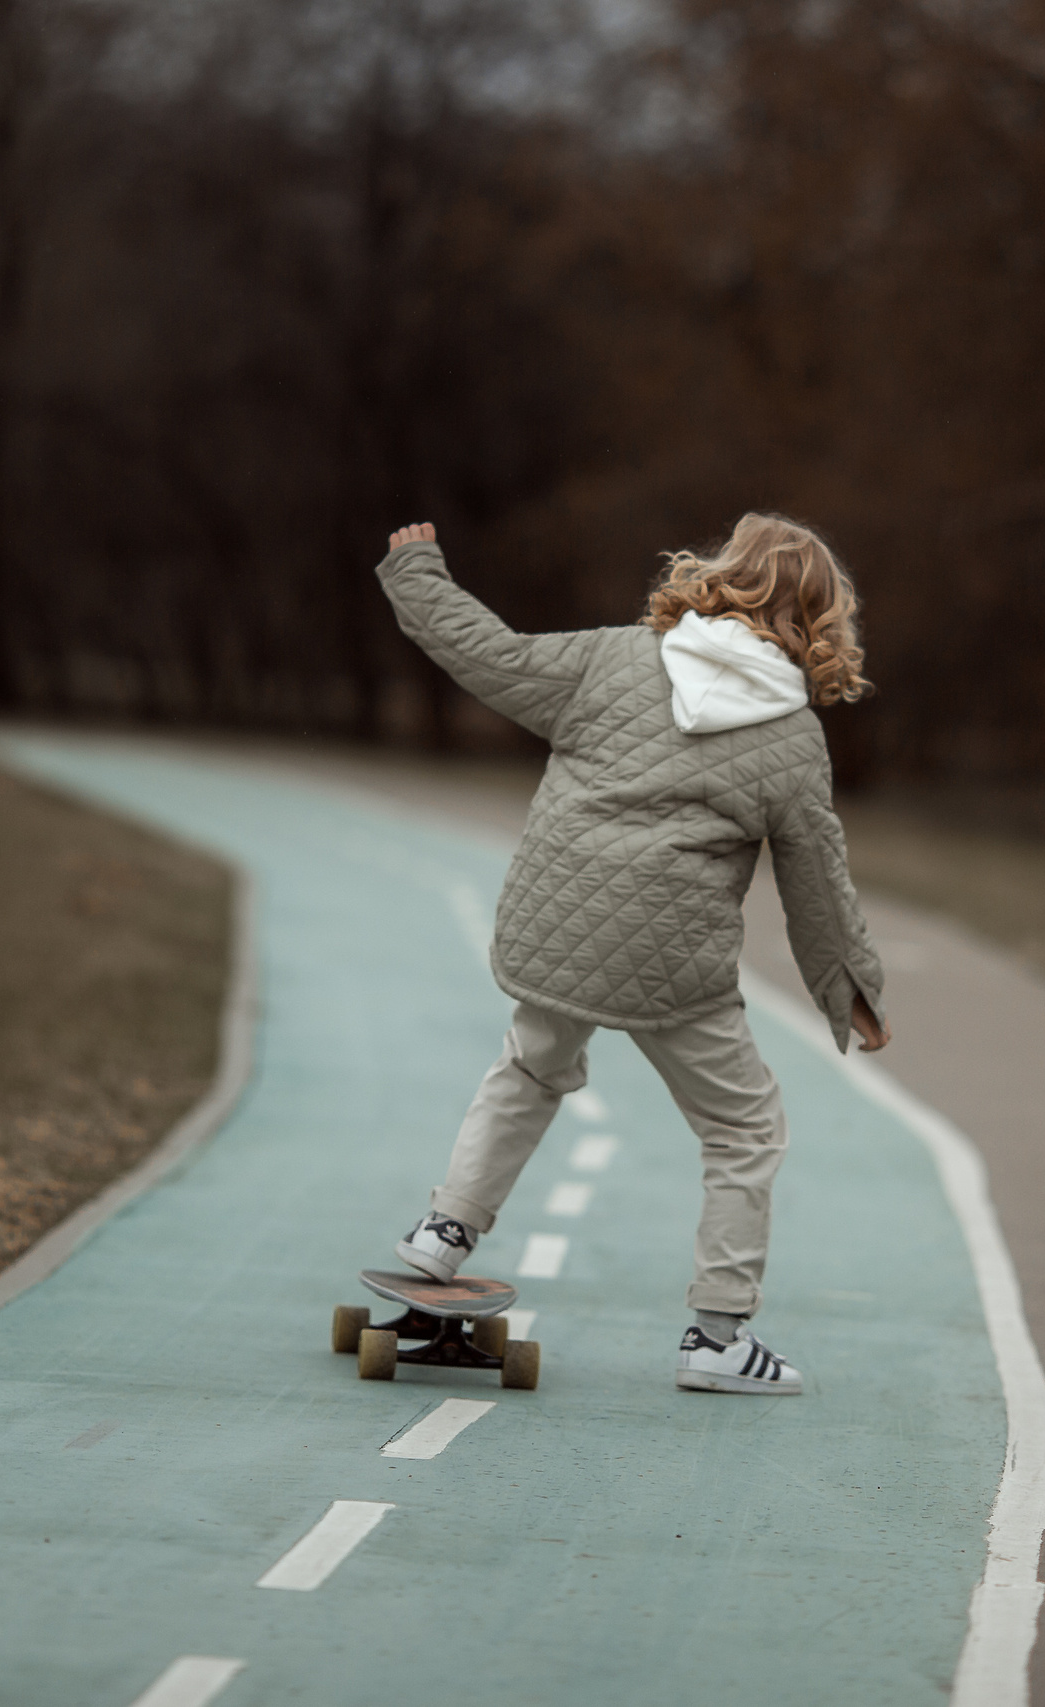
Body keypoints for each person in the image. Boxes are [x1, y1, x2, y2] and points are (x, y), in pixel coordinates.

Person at [376, 513, 889, 1396]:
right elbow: (816, 879)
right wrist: (850, 989)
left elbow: (487, 654)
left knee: (531, 1068)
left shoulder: (615, 658)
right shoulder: (793, 737)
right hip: (673, 959)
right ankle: (718, 1337)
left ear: (722, 576)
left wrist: (417, 572)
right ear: (818, 620)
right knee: (743, 1128)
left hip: (559, 922)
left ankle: (443, 1232)